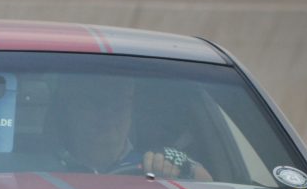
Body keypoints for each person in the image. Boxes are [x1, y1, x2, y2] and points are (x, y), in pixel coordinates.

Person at [56, 76, 212, 180]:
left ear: (131, 110)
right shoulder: (41, 166)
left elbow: (206, 182)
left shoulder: (153, 162)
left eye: (120, 104)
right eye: (95, 103)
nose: (108, 114)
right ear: (70, 109)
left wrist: (169, 179)